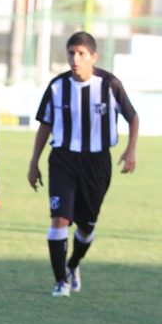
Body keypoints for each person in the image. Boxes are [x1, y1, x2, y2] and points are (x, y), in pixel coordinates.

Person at [28, 31, 139, 297]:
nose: (75, 59)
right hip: (63, 159)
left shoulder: (110, 84)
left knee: (86, 227)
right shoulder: (57, 86)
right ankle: (60, 282)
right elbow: (45, 124)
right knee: (60, 220)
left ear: (93, 56)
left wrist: (130, 150)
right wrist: (34, 162)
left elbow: (133, 117)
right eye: (71, 53)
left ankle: (72, 265)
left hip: (97, 162)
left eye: (80, 53)